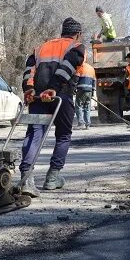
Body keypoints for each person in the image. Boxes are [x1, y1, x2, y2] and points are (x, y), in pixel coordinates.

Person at [20, 17, 85, 197]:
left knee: (35, 133)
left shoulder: (41, 47)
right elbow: (67, 68)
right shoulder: (76, 47)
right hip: (60, 97)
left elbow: (29, 70)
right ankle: (52, 177)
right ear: (77, 34)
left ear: (63, 31)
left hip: (38, 97)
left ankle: (27, 178)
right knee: (63, 135)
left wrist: (29, 88)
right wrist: (53, 89)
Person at [74, 62, 97, 129]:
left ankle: (81, 123)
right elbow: (94, 80)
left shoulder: (80, 66)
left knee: (79, 106)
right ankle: (87, 124)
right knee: (87, 107)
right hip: (89, 90)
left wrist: (73, 88)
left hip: (81, 89)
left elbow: (76, 79)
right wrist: (92, 91)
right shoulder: (91, 68)